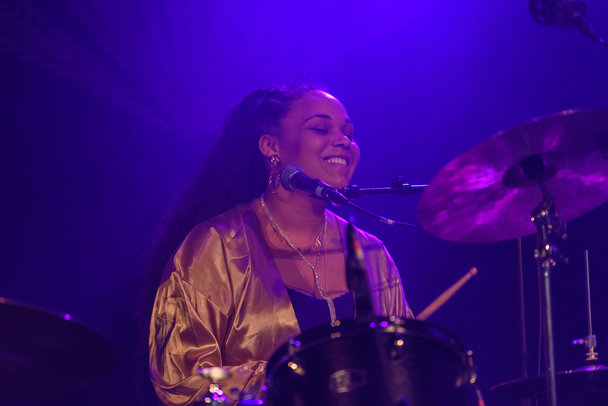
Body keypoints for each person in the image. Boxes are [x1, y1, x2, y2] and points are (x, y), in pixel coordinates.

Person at [148, 84, 412, 405]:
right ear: (271, 146)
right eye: (321, 129)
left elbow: (405, 367)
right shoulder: (217, 245)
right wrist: (296, 378)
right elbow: (181, 380)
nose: (344, 141)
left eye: (349, 133)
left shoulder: (371, 253)